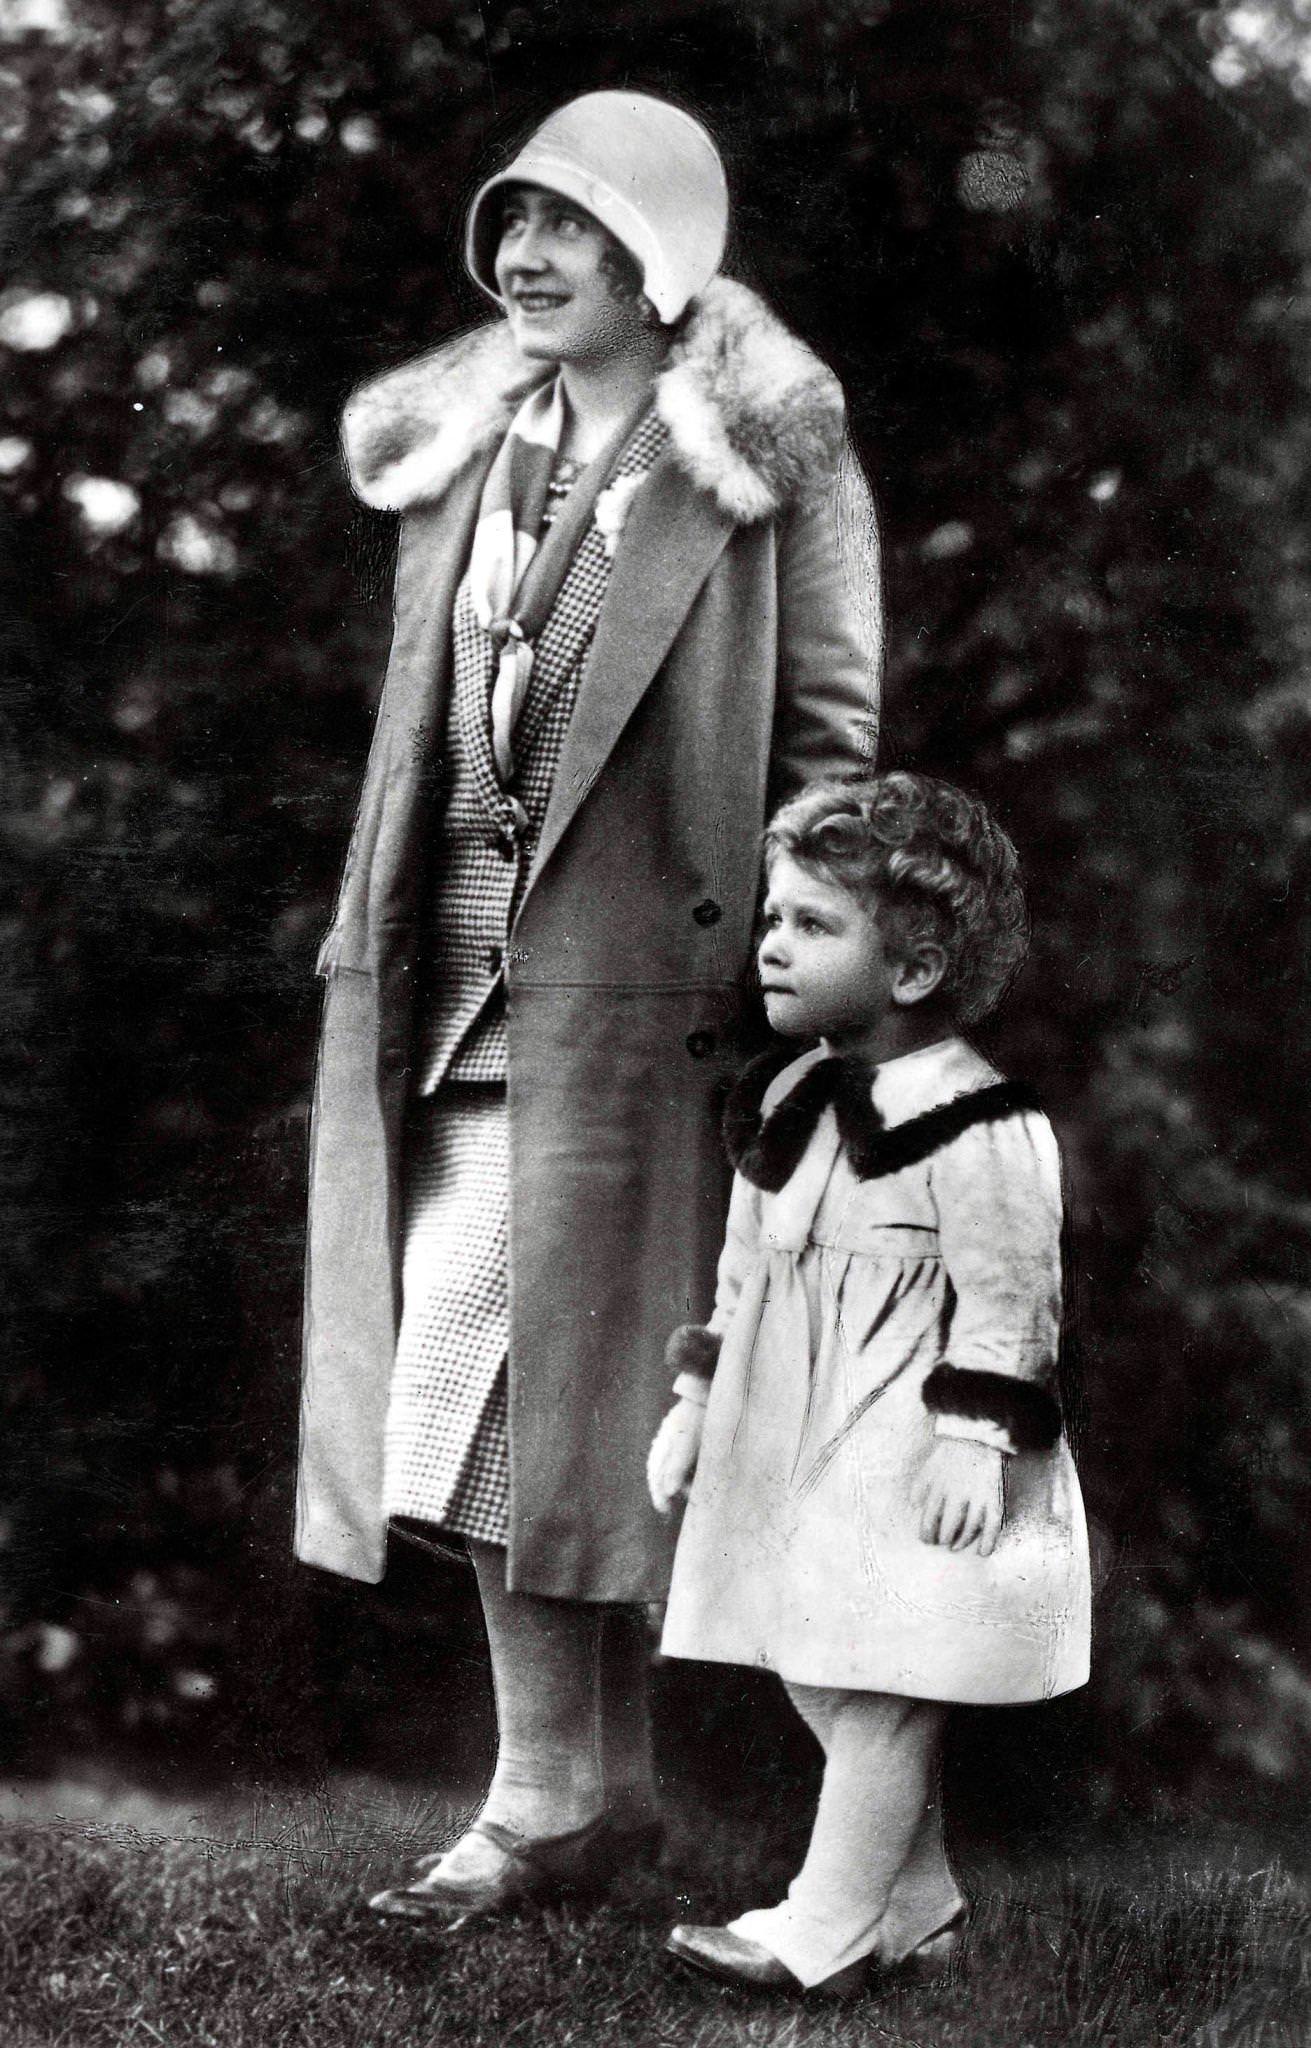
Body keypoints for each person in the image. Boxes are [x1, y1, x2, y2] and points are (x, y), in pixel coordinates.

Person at [294, 89, 881, 1927]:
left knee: (554, 1390)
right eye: (511, 225)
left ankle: (544, 1797)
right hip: (450, 968)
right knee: (490, 1384)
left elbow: (834, 741)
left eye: (567, 225)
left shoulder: (768, 451)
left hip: (652, 992)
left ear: (662, 255)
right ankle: (587, 1788)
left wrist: (799, 963)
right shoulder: (478, 442)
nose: (523, 259)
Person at [648, 772, 1091, 1998]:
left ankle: (824, 1924)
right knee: (820, 1663)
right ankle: (915, 1896)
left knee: (885, 1680)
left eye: (812, 925)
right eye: (770, 920)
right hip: (795, 1425)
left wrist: (973, 1437)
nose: (772, 946)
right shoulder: (788, 1097)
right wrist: (697, 1402)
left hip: (906, 1432)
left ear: (911, 969)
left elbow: (1012, 1298)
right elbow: (745, 1270)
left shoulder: (980, 1121)